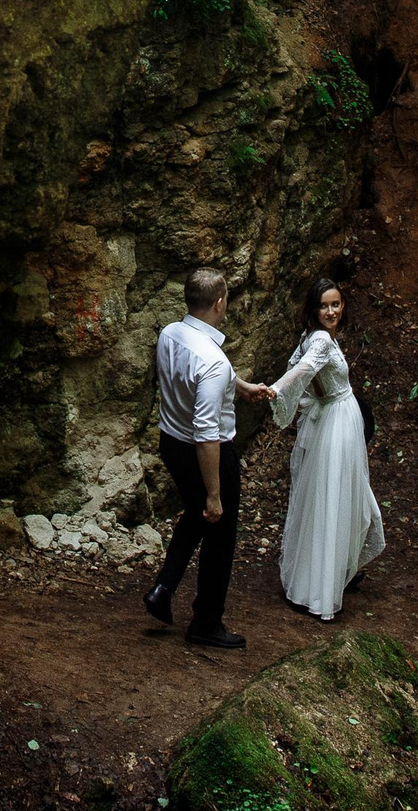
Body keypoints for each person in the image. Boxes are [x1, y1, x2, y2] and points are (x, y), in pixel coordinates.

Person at [143, 267, 276, 649]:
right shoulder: (214, 361)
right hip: (205, 452)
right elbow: (207, 433)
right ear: (219, 303)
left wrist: (241, 385)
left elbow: (200, 372)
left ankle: (163, 589)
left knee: (194, 515)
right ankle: (206, 621)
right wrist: (216, 493)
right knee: (219, 532)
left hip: (170, 443)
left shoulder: (170, 333)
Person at [269, 277, 387, 622]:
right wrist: (277, 390)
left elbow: (302, 367)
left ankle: (333, 572)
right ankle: (323, 584)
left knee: (334, 496)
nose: (332, 311)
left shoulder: (312, 337)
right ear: (313, 309)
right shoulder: (320, 339)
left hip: (334, 419)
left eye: (336, 304)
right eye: (324, 306)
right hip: (337, 422)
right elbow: (303, 369)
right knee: (339, 498)